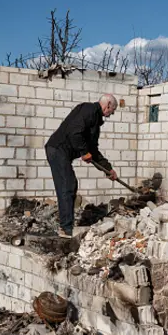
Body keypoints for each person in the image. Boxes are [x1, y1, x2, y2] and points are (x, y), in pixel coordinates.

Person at [45, 94, 118, 238]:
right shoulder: (88, 109)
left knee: (70, 185)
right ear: (107, 105)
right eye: (113, 109)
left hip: (62, 153)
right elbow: (74, 131)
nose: (112, 113)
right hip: (57, 149)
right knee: (68, 185)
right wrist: (84, 152)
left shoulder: (95, 122)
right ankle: (66, 230)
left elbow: (94, 152)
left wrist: (108, 169)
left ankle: (66, 227)